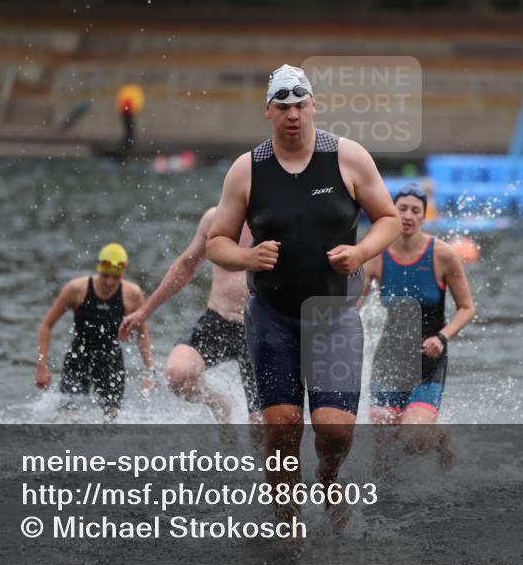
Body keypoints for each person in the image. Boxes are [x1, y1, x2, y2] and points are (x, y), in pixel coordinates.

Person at [206, 64, 399, 523]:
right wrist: (248, 257)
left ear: (313, 106)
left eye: (299, 105)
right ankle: (286, 513)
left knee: (334, 430)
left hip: (333, 315)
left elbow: (389, 218)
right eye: (283, 106)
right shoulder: (247, 169)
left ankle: (329, 477)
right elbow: (217, 242)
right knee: (282, 426)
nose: (292, 114)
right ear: (268, 111)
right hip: (273, 316)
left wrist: (361, 252)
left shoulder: (348, 157)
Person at [118, 207, 261, 426]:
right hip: (219, 319)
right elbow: (186, 265)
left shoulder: (278, 218)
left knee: (260, 427)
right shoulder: (216, 218)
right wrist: (144, 311)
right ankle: (219, 404)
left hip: (261, 325)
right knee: (178, 375)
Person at [362, 183, 476, 425]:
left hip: (429, 358)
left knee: (414, 433)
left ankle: (441, 437)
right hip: (389, 360)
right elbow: (354, 304)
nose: (408, 216)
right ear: (392, 212)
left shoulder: (443, 255)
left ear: (424, 217)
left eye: (415, 211)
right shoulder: (376, 254)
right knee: (384, 438)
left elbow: (467, 309)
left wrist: (442, 337)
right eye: (402, 209)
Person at [36, 243, 153, 419]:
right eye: (105, 275)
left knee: (111, 418)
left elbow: (142, 333)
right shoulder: (76, 289)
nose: (109, 282)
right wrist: (42, 366)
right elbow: (46, 325)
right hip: (78, 359)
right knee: (69, 416)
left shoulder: (132, 294)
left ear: (123, 273)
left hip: (111, 362)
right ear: (98, 269)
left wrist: (149, 371)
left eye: (115, 277)